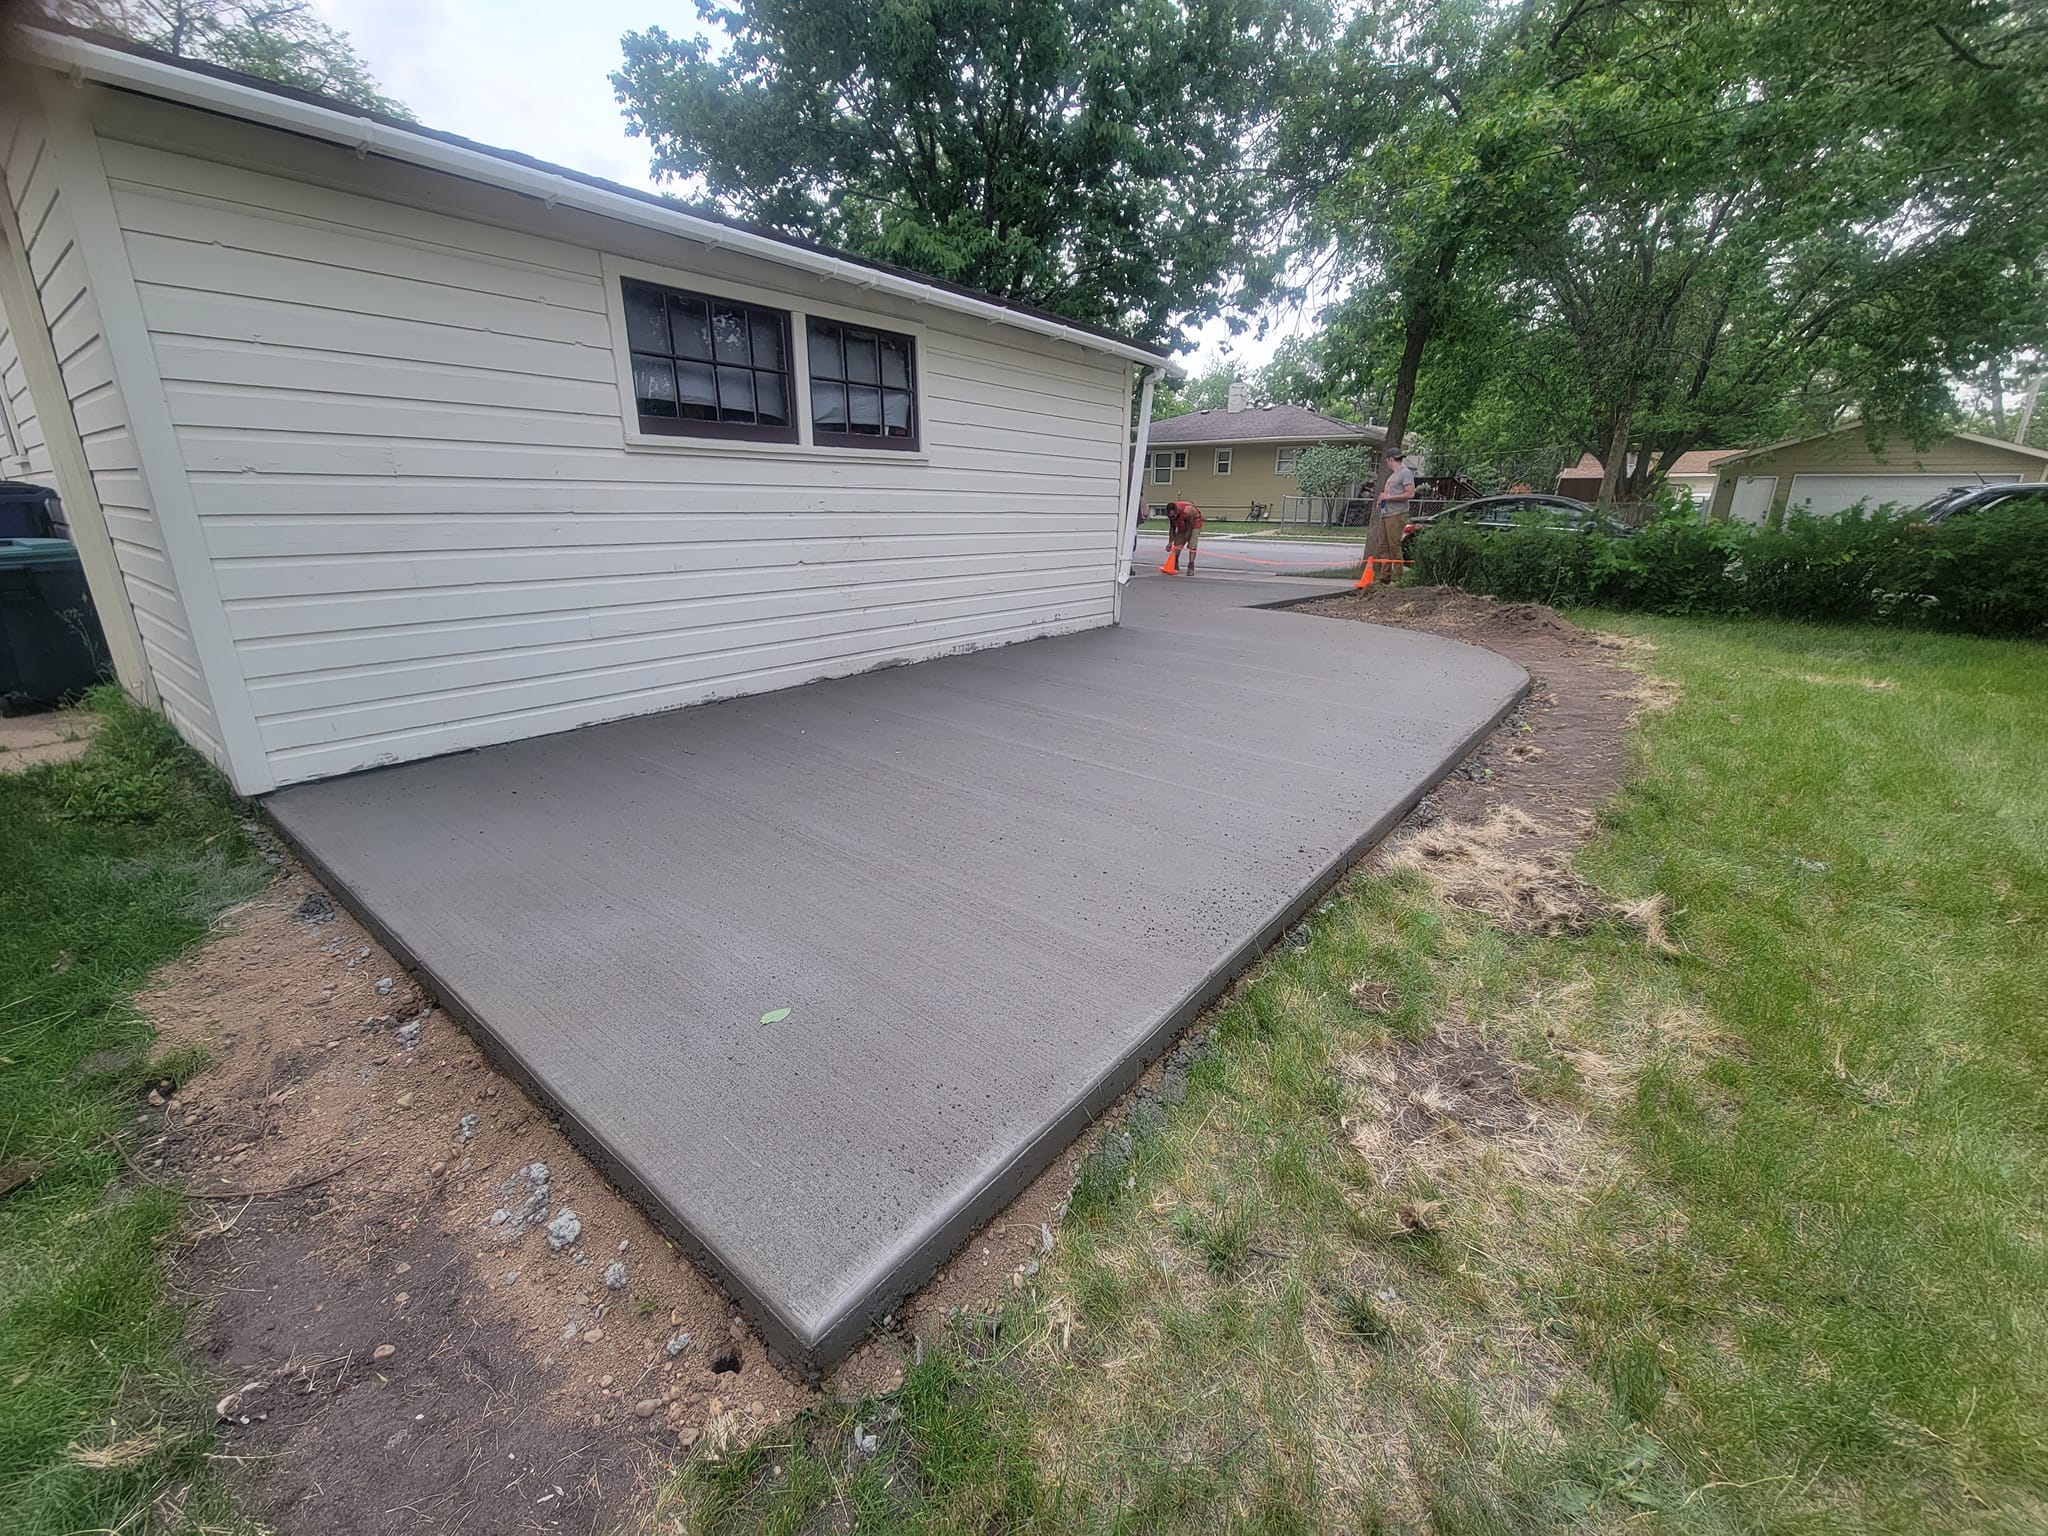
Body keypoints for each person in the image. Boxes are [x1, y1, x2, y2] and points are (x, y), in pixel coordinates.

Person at [1375, 451, 1417, 561]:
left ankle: (1397, 576)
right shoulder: (1394, 475)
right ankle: (1385, 576)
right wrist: (1382, 500)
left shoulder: (1405, 473)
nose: (1387, 464)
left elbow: (1410, 493)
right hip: (1386, 513)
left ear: (1391, 459)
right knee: (1383, 546)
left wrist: (1388, 497)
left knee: (1394, 546)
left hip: (1397, 514)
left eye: (1387, 461)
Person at [1159, 498, 1203, 575]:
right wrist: (1170, 542)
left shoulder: (1187, 511)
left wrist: (1184, 542)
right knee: (1176, 546)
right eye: (1171, 516)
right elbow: (1172, 528)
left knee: (1192, 545)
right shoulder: (1171, 515)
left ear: (1177, 511)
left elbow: (1189, 529)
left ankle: (1191, 566)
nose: (1172, 518)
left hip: (1194, 523)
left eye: (1174, 516)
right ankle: (1175, 563)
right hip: (1182, 523)